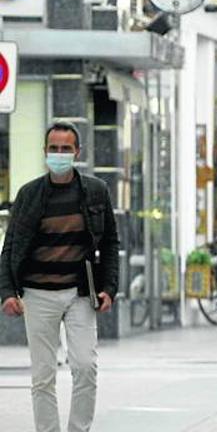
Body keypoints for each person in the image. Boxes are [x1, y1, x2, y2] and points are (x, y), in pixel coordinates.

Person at [0, 121, 119, 432]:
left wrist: (109, 287)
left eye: (66, 149)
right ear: (45, 152)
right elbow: (10, 247)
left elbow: (109, 243)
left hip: (80, 294)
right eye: (54, 148)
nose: (60, 154)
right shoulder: (29, 195)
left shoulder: (96, 191)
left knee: (85, 367)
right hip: (37, 295)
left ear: (77, 152)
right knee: (43, 376)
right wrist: (7, 293)